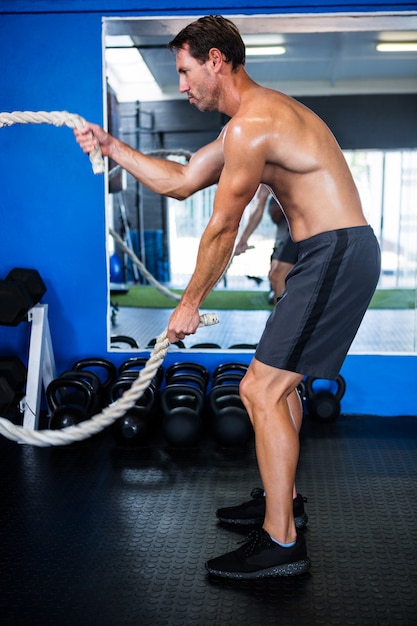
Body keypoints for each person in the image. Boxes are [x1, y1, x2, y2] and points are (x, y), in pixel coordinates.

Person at [74, 15, 381, 579]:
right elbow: (181, 179)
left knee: (259, 388)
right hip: (324, 255)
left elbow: (221, 226)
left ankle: (282, 543)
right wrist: (112, 146)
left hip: (336, 253)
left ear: (217, 60)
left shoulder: (254, 123)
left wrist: (188, 303)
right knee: (277, 388)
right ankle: (280, 507)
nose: (183, 85)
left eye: (188, 72)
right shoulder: (244, 123)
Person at [234, 184, 299, 302]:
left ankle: (286, 319)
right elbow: (260, 202)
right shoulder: (264, 172)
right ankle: (282, 318)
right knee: (276, 275)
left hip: (314, 220)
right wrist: (243, 240)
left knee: (278, 274)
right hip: (295, 225)